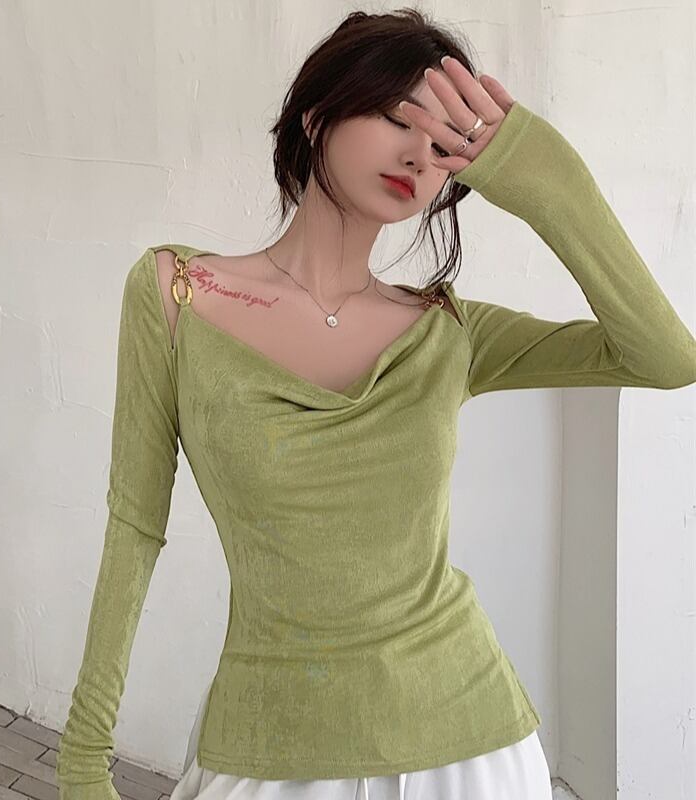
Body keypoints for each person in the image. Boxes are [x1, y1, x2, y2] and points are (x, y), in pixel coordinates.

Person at [55, 9, 696, 800]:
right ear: (316, 114)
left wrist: (540, 177)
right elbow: (135, 523)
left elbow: (666, 358)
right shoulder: (178, 293)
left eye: (444, 145)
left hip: (471, 749)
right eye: (398, 118)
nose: (419, 156)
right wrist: (83, 760)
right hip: (270, 745)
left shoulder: (446, 331)